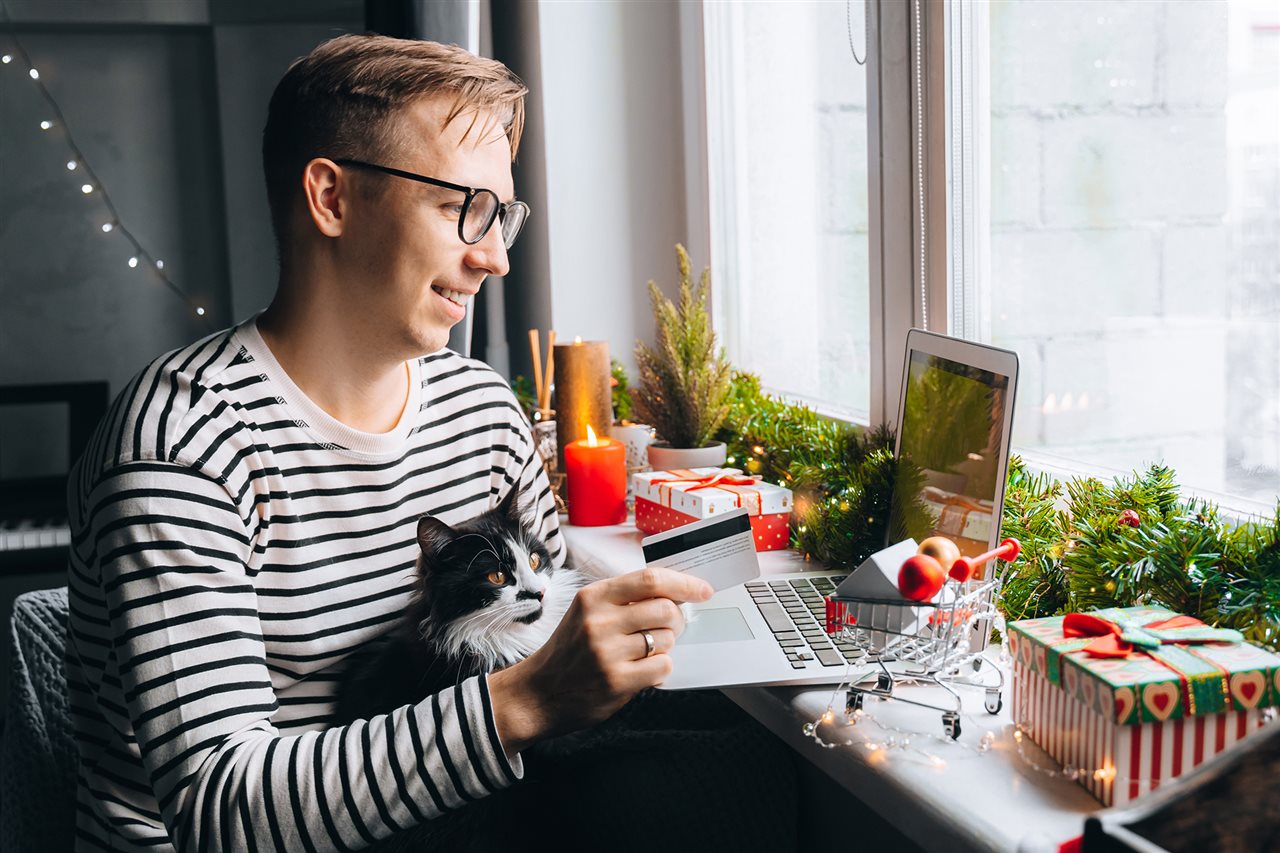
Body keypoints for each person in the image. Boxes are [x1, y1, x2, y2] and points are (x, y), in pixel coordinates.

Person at [66, 34, 715, 851]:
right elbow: (217, 808)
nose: (495, 257)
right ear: (331, 198)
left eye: (502, 214)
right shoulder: (182, 441)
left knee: (734, 776)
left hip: (455, 825)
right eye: (461, 209)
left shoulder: (482, 412)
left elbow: (546, 635)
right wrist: (521, 702)